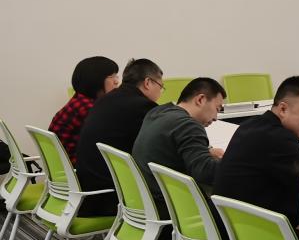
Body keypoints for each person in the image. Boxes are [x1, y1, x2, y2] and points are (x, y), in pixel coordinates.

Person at [213, 76, 299, 231]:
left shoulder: (251, 125)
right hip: (254, 235)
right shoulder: (279, 139)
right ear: (283, 109)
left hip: (232, 229)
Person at [75, 58, 164, 216]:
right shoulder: (143, 106)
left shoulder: (106, 99)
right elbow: (158, 148)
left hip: (88, 189)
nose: (161, 92)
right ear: (148, 83)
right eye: (161, 86)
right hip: (110, 197)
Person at [133, 78, 226, 212]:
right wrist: (235, 161)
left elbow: (170, 147)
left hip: (148, 200)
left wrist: (206, 152)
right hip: (173, 209)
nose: (216, 117)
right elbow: (205, 172)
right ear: (200, 99)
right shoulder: (188, 125)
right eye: (217, 109)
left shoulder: (157, 112)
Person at [49, 56, 119, 165]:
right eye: (112, 77)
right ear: (96, 80)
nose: (117, 82)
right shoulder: (89, 108)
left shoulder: (80, 99)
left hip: (65, 165)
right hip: (77, 167)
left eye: (116, 76)